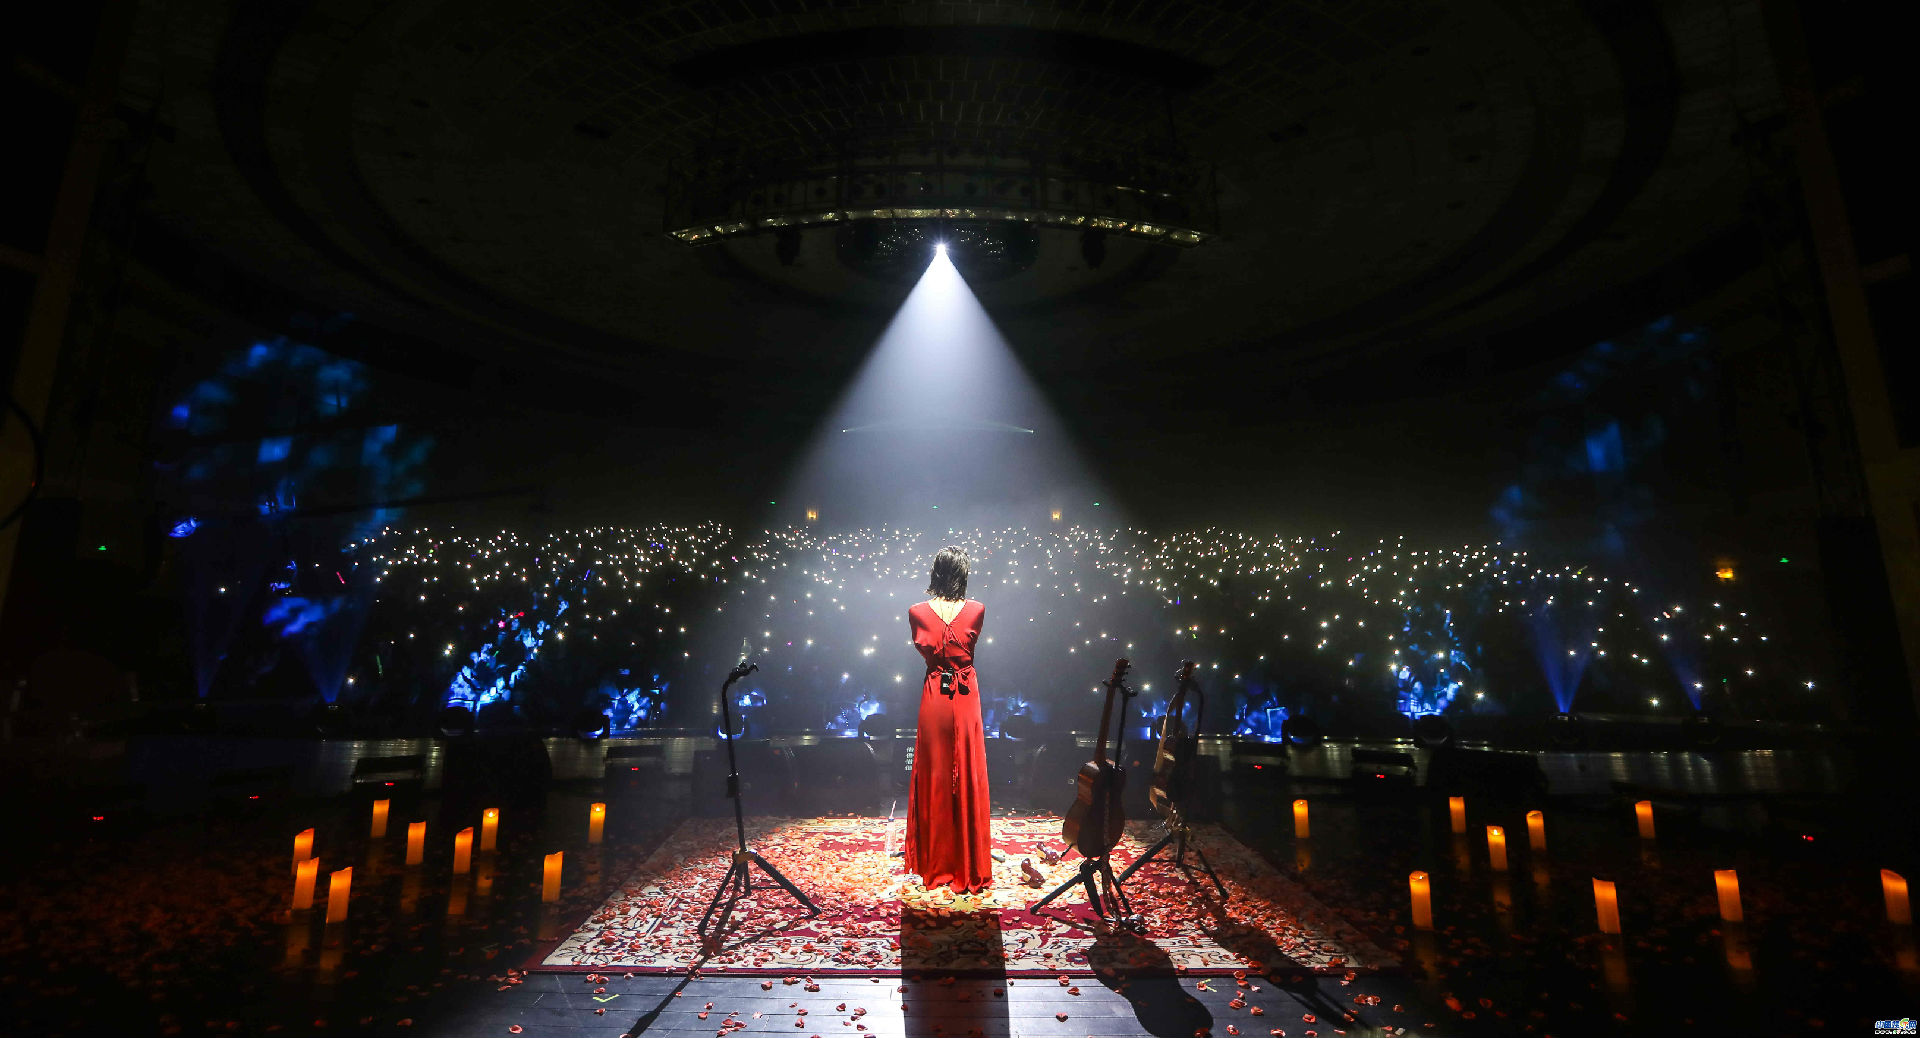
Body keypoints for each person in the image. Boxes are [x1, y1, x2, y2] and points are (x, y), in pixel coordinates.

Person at [901, 545, 992, 892]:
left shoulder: (922, 611)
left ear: (935, 572)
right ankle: (958, 863)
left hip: (944, 694)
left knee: (941, 772)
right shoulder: (969, 609)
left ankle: (939, 864)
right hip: (957, 694)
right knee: (948, 770)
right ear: (963, 574)